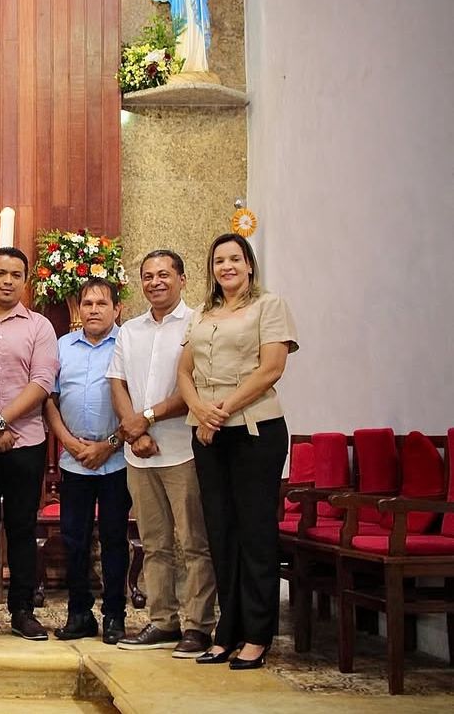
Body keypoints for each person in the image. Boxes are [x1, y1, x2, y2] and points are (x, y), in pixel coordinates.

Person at [179, 233, 297, 670]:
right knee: (221, 533)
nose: (226, 266)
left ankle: (257, 635)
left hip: (255, 429)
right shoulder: (202, 313)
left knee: (255, 533)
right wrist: (199, 410)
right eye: (219, 261)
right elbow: (184, 371)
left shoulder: (269, 306)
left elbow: (272, 368)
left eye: (234, 259)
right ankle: (226, 631)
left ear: (249, 264)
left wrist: (221, 410)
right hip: (209, 432)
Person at [109, 250, 216, 658]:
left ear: (183, 280)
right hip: (140, 455)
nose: (155, 282)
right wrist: (135, 432)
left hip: (183, 450)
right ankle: (163, 620)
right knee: (154, 543)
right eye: (148, 276)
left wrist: (146, 419)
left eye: (164, 274)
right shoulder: (130, 330)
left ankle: (198, 626)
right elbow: (116, 383)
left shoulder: (198, 324)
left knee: (193, 542)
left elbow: (195, 386)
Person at [0, 247, 59, 640]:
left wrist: (1, 422)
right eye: (0, 273)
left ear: (25, 280)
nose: (7, 280)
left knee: (22, 527)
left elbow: (42, 382)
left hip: (26, 442)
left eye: (15, 274)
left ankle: (22, 609)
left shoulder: (39, 327)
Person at [44, 278, 131, 645]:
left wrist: (108, 445)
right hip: (74, 461)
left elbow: (136, 404)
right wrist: (68, 442)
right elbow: (49, 399)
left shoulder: (127, 346)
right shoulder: (62, 346)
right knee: (74, 540)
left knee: (113, 540)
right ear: (79, 309)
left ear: (117, 309)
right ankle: (79, 613)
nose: (94, 309)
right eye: (88, 303)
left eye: (101, 303)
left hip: (116, 461)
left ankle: (114, 615)